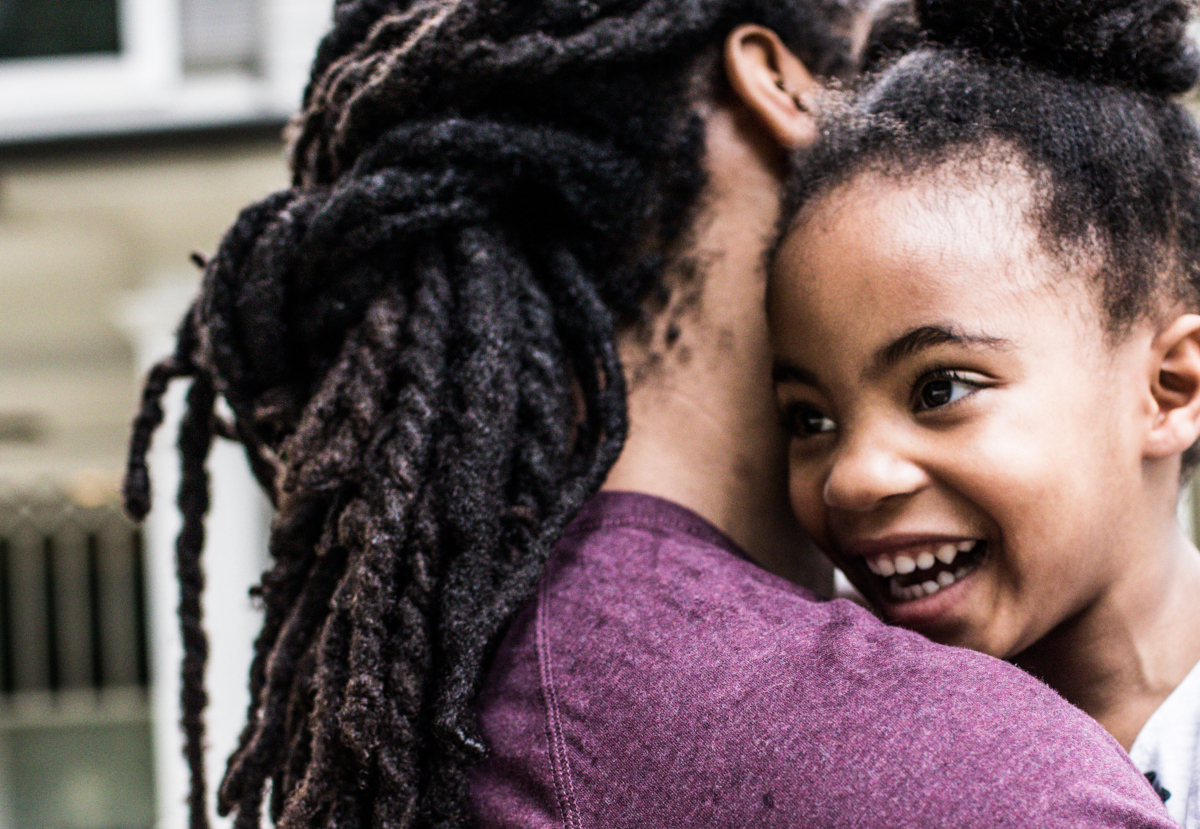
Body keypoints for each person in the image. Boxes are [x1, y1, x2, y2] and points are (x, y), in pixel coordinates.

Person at [123, 1, 1175, 827]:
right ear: (779, 83)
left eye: (941, 390)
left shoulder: (435, 702)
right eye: (875, 56)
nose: (861, 476)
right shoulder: (967, 778)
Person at [769, 0, 1200, 824]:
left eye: (941, 388)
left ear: (1169, 389)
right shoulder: (830, 725)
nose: (852, 480)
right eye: (809, 418)